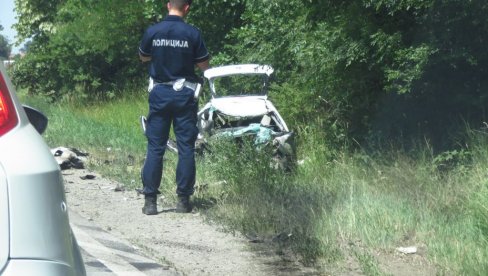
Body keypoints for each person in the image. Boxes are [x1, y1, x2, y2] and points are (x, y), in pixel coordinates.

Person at [138, 0, 210, 215]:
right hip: (184, 96)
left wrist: (158, 56)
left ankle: (150, 202)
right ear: (186, 8)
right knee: (186, 148)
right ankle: (183, 201)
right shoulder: (192, 33)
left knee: (155, 148)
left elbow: (143, 57)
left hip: (159, 94)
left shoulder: (153, 31)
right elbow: (204, 66)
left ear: (168, 5)